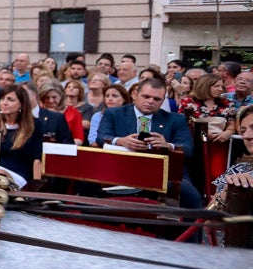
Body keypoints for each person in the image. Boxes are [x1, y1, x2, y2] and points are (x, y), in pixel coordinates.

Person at [97, 77, 203, 209]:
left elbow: (188, 149)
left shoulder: (176, 120)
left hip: (164, 173)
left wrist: (168, 145)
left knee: (191, 196)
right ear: (135, 94)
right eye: (146, 96)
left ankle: (191, 229)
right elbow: (101, 137)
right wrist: (121, 141)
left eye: (157, 99)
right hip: (121, 168)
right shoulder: (113, 113)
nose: (150, 101)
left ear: (163, 101)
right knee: (88, 185)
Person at [0, 85, 43, 185]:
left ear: (21, 104)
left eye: (10, 100)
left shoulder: (35, 125)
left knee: (0, 178)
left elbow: (37, 158)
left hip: (18, 173)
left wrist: (36, 185)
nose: (4, 103)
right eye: (2, 99)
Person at [210, 105, 253, 215]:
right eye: (243, 131)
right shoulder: (237, 170)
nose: (247, 136)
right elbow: (208, 222)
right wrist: (228, 191)